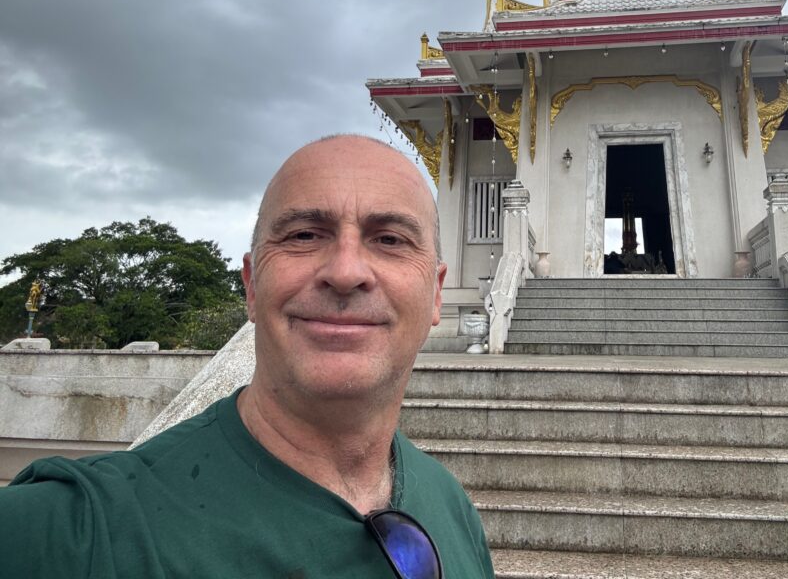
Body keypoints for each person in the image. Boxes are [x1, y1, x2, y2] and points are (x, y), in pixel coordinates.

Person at [0, 134, 495, 578]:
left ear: (435, 295)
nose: (346, 272)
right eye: (304, 235)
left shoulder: (449, 508)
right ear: (252, 286)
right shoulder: (71, 532)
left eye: (389, 239)